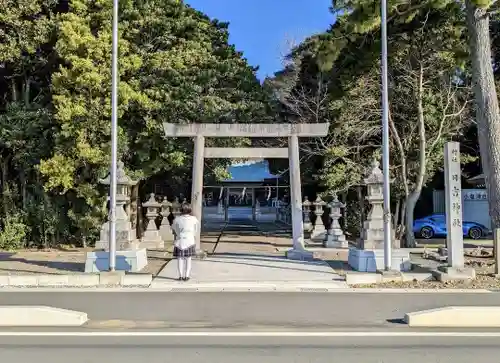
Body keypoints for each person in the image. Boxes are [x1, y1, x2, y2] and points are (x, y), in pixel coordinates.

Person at [171, 203, 199, 281]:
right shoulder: (194, 219)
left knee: (180, 259)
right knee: (188, 259)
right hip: (190, 240)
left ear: (181, 210)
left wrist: (179, 234)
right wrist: (192, 235)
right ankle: (186, 276)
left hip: (180, 240)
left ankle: (180, 276)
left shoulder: (177, 219)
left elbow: (175, 229)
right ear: (190, 209)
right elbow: (196, 230)